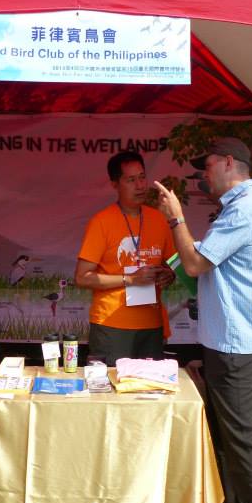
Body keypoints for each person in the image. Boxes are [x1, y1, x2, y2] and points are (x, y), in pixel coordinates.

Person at [152, 137, 252, 503]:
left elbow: (195, 265)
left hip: (237, 343)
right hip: (233, 339)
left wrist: (175, 219)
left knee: (243, 439)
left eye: (205, 167)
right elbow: (206, 266)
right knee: (234, 435)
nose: (201, 176)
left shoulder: (247, 209)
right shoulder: (244, 207)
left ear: (230, 163)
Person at [74, 150, 176, 365]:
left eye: (142, 177)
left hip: (151, 324)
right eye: (131, 180)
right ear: (114, 184)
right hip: (112, 324)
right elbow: (82, 277)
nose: (140, 186)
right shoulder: (101, 222)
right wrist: (129, 279)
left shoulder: (159, 219)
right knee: (109, 390)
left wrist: (169, 275)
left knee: (149, 390)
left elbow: (173, 265)